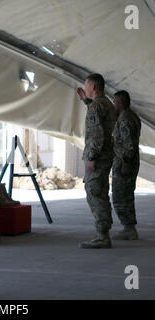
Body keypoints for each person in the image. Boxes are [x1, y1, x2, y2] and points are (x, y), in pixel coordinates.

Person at [76, 74, 116, 249]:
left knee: (95, 193)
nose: (84, 89)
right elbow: (102, 121)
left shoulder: (96, 107)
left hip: (98, 157)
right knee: (101, 192)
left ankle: (102, 235)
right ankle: (103, 232)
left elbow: (97, 133)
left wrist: (92, 157)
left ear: (93, 87)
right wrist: (86, 101)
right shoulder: (106, 103)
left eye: (86, 86)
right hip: (106, 155)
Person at [111, 90, 141, 240]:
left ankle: (128, 228)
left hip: (125, 162)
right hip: (127, 161)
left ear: (120, 103)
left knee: (120, 195)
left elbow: (129, 144)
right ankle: (129, 227)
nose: (113, 104)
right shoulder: (130, 116)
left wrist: (125, 163)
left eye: (115, 101)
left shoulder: (125, 120)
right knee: (126, 195)